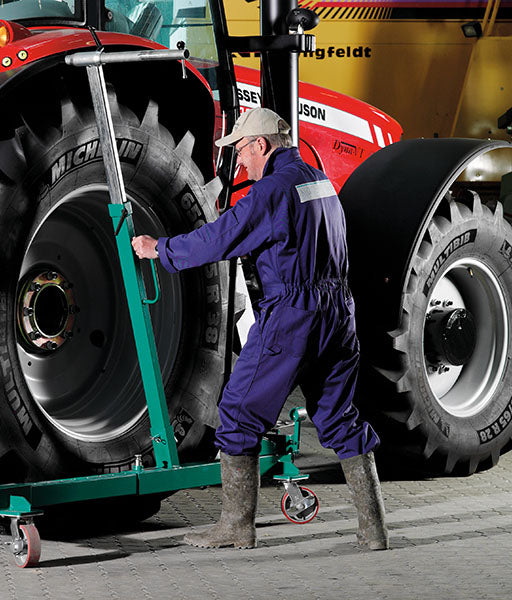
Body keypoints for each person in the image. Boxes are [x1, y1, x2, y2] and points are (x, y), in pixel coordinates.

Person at [131, 107, 389, 551]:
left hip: (293, 314)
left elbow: (220, 238)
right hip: (338, 313)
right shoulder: (321, 182)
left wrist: (161, 249)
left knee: (237, 413)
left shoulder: (271, 191)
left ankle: (236, 526)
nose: (240, 161)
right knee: (339, 418)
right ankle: (374, 530)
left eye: (241, 151)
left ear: (261, 145)